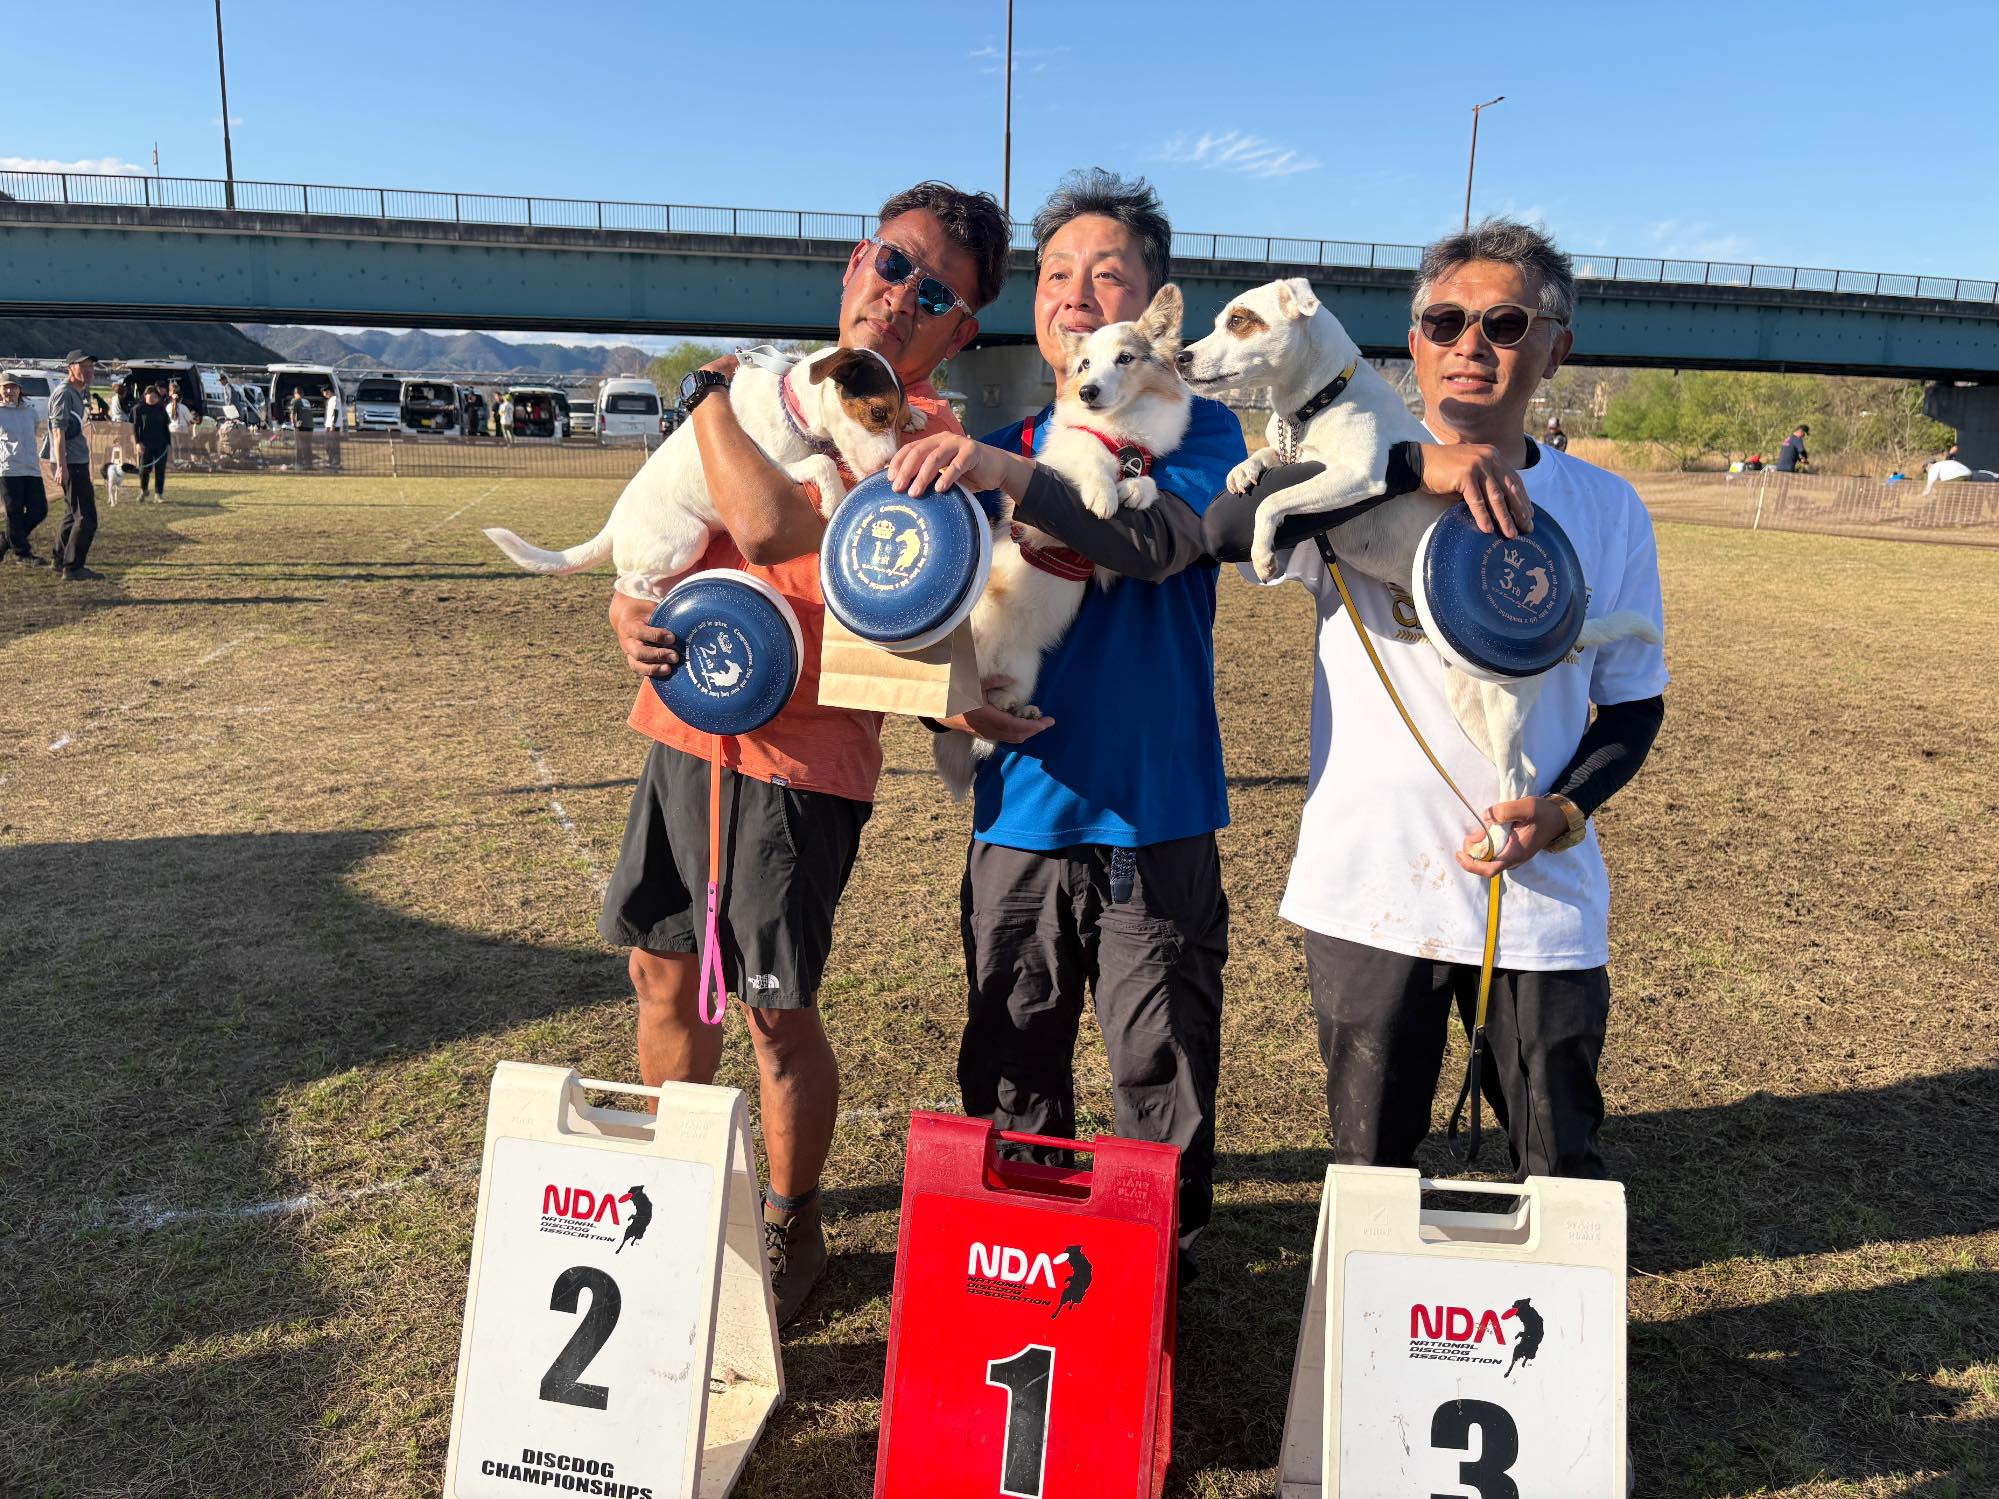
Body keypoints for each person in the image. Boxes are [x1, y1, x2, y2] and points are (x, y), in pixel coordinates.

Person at [602, 181, 1008, 1324]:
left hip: (800, 767)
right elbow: (674, 521)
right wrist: (628, 609)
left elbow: (771, 524)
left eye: (936, 293)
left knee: (775, 1012)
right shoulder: (773, 393)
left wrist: (705, 400)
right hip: (683, 727)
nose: (902, 296)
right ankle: (679, 1189)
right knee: (661, 970)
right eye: (893, 263)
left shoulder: (917, 445)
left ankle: (793, 1219)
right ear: (854, 263)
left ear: (958, 332)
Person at [1207, 218, 1667, 1183]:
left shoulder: (1607, 506)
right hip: (1370, 889)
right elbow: (1224, 527)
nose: (1470, 345)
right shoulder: (1346, 453)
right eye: (1445, 322)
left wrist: (1564, 808)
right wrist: (1417, 467)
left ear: (1554, 348)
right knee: (1372, 1169)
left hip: (1538, 900)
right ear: (1412, 343)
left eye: (1505, 323)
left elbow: (1632, 706)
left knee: (1558, 1165)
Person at [885, 169, 1248, 1278]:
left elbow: (1155, 544)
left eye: (1106, 274)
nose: (1076, 295)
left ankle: (1156, 1298)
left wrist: (1012, 473)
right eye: (1053, 276)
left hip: (1153, 811)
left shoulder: (1197, 429)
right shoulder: (988, 446)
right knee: (1011, 1069)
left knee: (1160, 1078)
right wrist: (946, 700)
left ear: (1154, 308)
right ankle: (1018, 1281)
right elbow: (929, 616)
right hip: (1019, 814)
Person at [44, 351, 104, 581]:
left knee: (72, 513)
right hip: (70, 462)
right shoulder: (64, 393)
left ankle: (59, 558)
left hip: (74, 461)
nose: (88, 371)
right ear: (70, 368)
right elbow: (58, 432)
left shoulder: (77, 392)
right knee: (86, 517)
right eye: (83, 366)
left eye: (90, 366)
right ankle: (73, 567)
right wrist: (62, 466)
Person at [1, 374, 52, 565]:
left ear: (19, 390)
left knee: (39, 510)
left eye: (13, 387)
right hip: (8, 469)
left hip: (31, 468)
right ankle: (22, 554)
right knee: (14, 512)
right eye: (5, 387)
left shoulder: (30, 412)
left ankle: (6, 540)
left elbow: (34, 433)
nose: (9, 391)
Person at [132, 385, 172, 499]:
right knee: (144, 469)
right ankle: (143, 490)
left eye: (155, 397)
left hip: (161, 443)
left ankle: (158, 494)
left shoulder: (161, 409)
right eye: (150, 396)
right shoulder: (138, 409)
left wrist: (168, 443)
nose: (153, 398)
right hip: (145, 444)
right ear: (145, 396)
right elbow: (136, 427)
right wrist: (138, 442)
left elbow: (165, 427)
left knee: (160, 470)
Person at [289, 388, 315, 469]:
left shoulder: (295, 401)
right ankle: (309, 464)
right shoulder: (307, 401)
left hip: (301, 426)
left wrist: (294, 425)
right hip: (310, 426)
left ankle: (298, 464)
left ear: (295, 393)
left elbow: (292, 414)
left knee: (299, 446)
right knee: (308, 446)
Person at [321, 385, 344, 471]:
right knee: (327, 445)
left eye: (324, 393)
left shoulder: (335, 399)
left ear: (328, 391)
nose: (324, 395)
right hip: (328, 425)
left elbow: (335, 411)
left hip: (334, 426)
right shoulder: (330, 400)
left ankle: (336, 463)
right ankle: (331, 461)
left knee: (334, 445)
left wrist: (333, 424)